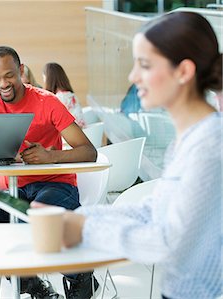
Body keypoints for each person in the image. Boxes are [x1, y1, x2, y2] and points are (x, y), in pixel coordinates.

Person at [59, 12, 222, 299]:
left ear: (183, 71)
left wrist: (86, 229)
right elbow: (153, 212)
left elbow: (168, 241)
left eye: (144, 65)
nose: (133, 77)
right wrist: (80, 217)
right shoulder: (188, 139)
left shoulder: (209, 146)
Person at [0, 46, 98, 299]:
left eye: (9, 75)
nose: (2, 84)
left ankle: (80, 276)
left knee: (34, 216)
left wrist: (51, 156)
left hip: (56, 184)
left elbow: (89, 151)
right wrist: (2, 154)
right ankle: (32, 285)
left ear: (21, 71)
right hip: (12, 187)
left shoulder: (47, 101)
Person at [43, 62, 86, 128]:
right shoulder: (70, 95)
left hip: (69, 133)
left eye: (44, 77)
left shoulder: (59, 98)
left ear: (49, 78)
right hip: (80, 132)